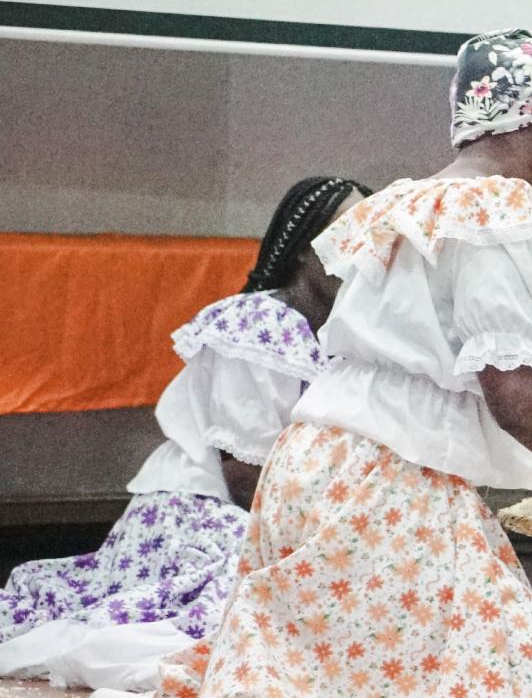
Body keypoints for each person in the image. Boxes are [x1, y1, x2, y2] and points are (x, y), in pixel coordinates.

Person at [149, 29, 532, 698]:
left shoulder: (402, 205)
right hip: (385, 489)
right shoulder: (496, 217)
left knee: (337, 677)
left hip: (311, 470)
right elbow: (520, 401)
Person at [0, 177, 365, 691]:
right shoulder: (259, 324)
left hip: (289, 505)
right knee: (246, 607)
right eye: (345, 232)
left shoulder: (350, 333)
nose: (363, 250)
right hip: (204, 508)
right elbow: (245, 477)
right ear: (305, 247)